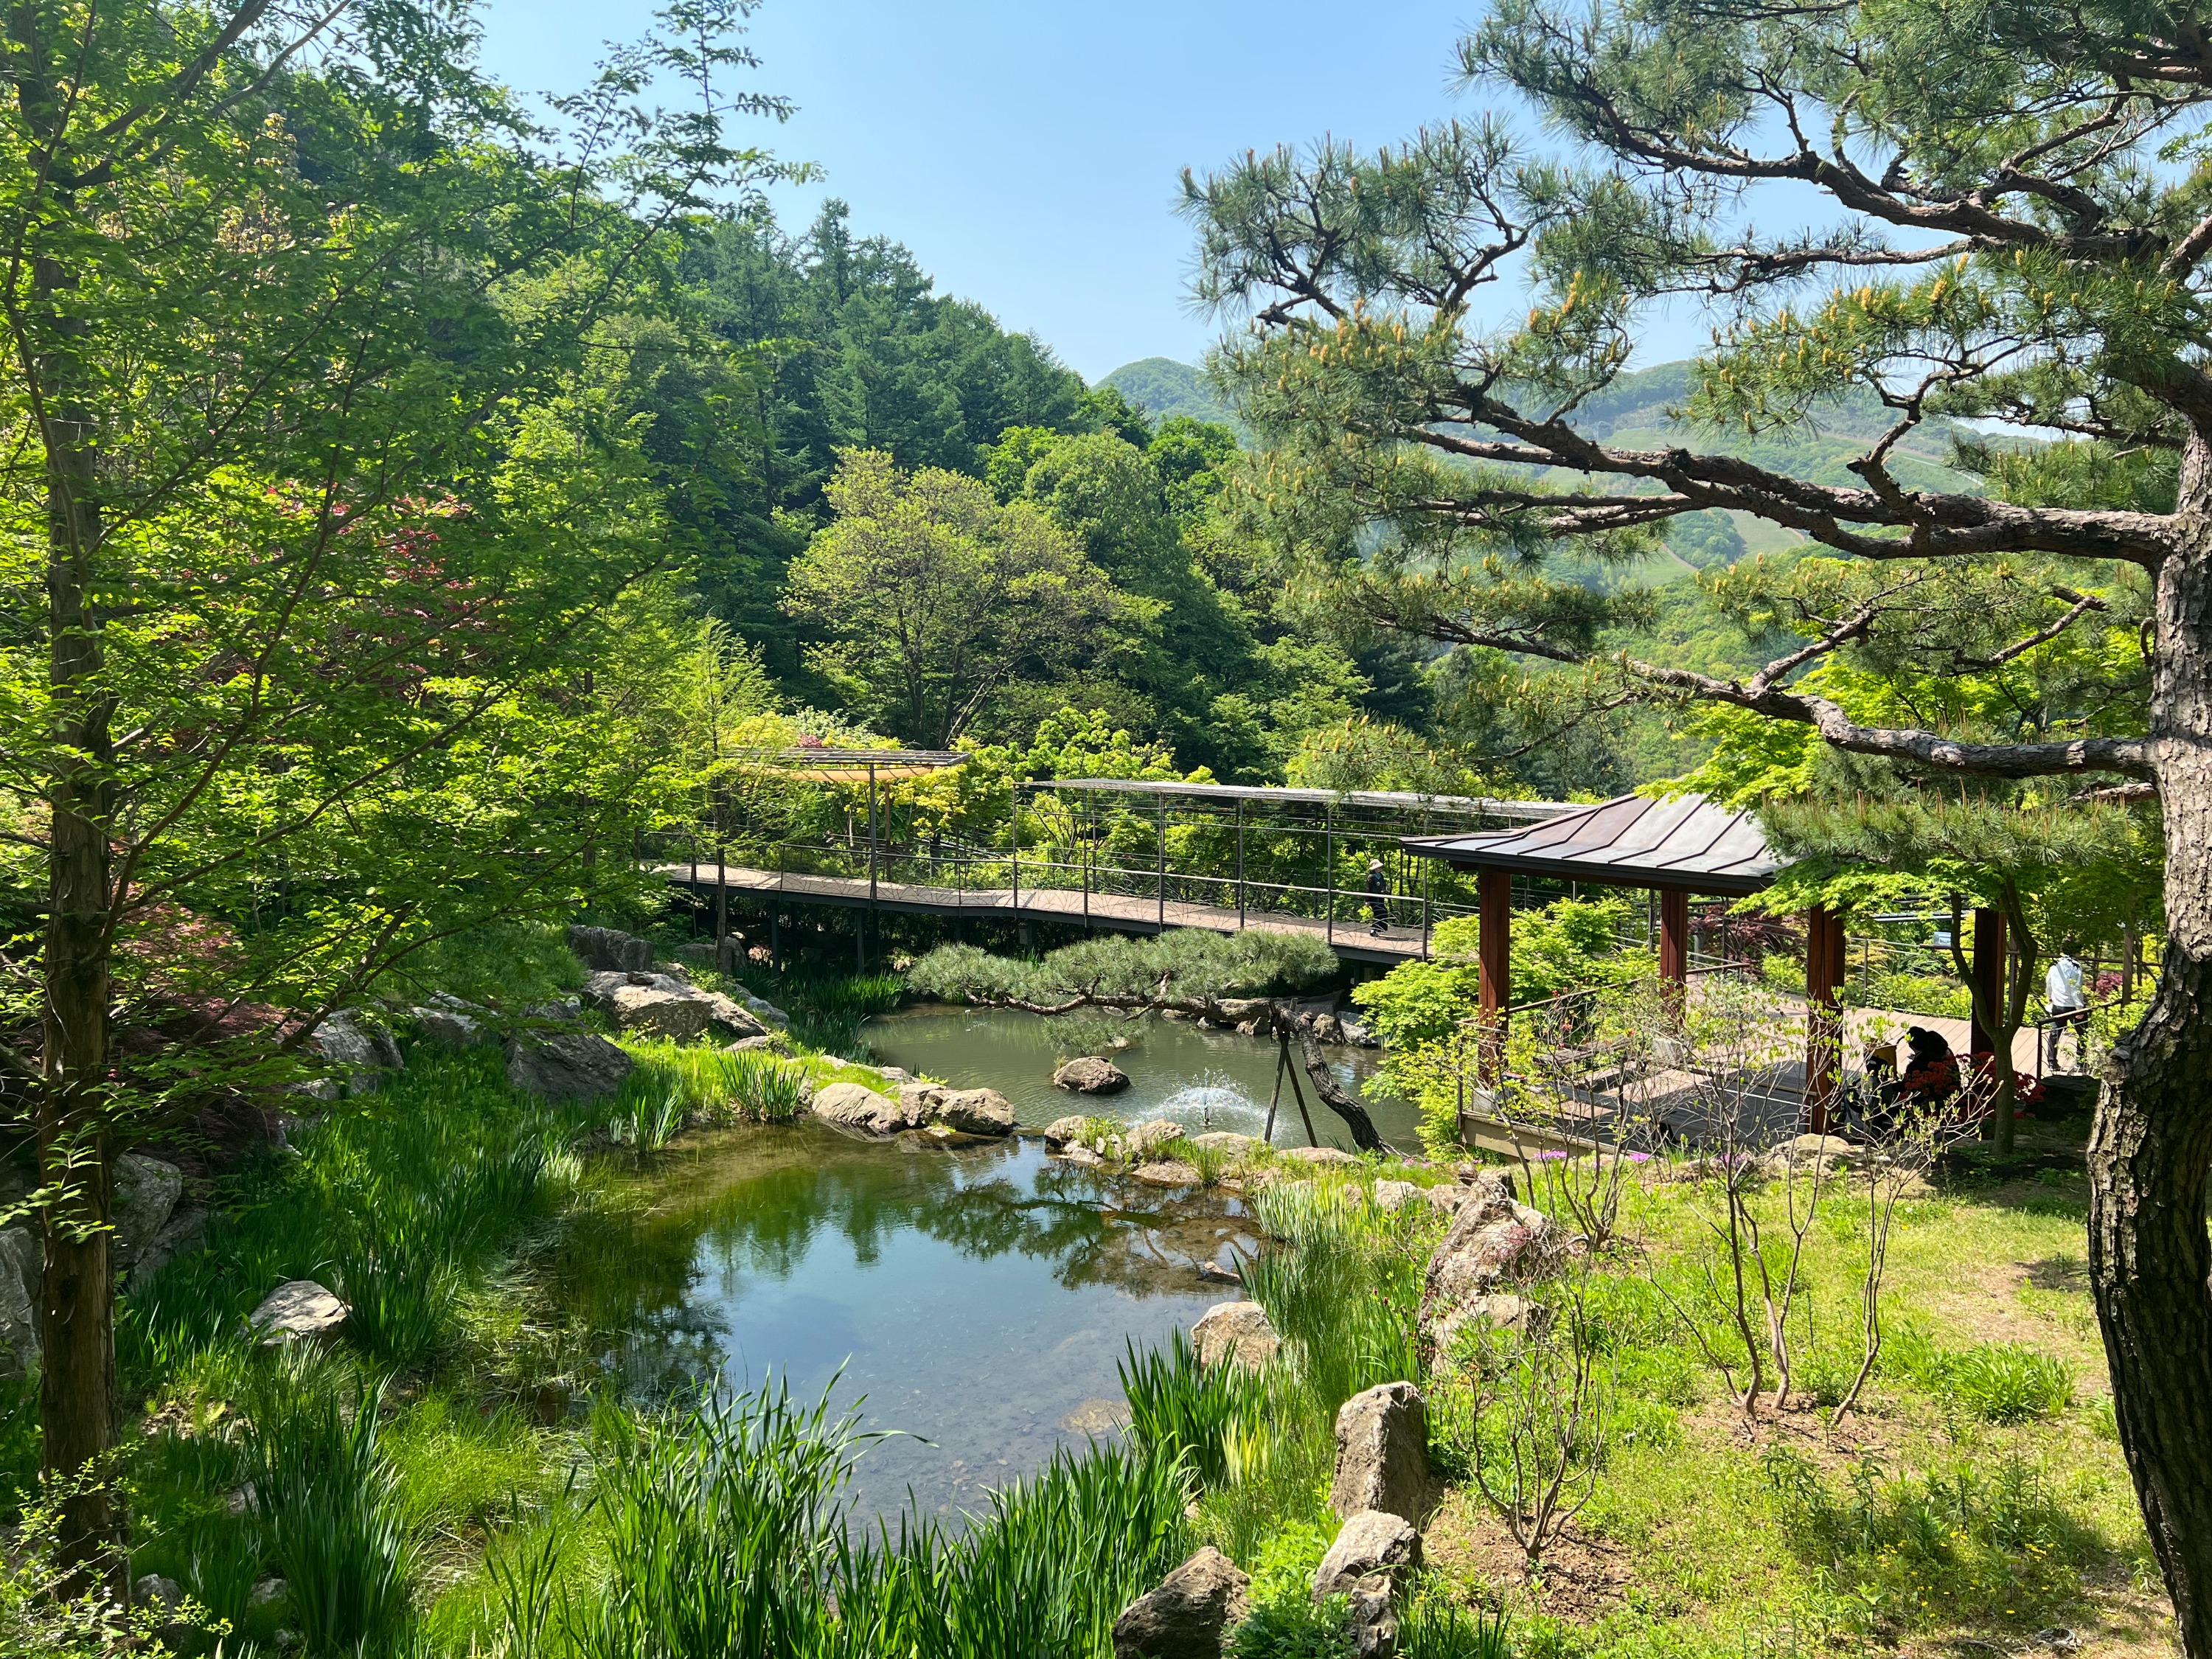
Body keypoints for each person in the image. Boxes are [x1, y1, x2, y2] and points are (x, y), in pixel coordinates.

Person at [2045, 939, 2090, 1071]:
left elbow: (2049, 983)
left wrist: (2050, 998)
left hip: (2058, 1005)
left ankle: (2052, 1063)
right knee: (2083, 1034)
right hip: (2073, 1006)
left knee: (2055, 1034)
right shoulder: (2076, 966)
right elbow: (2076, 988)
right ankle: (2080, 1063)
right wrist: (2080, 1008)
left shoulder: (2055, 965)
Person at [1365, 858, 1390, 936]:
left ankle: (1378, 928)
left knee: (1384, 912)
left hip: (1380, 898)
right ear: (1375, 869)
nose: (1381, 869)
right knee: (1378, 913)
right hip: (1374, 898)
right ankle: (1374, 929)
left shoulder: (1381, 876)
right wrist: (1367, 900)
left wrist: (1385, 891)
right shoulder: (1371, 877)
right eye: (1379, 867)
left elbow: (1383, 885)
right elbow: (1368, 889)